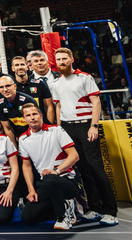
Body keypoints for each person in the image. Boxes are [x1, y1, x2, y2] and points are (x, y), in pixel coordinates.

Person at [49, 47, 118, 226]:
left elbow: (96, 102)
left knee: (96, 168)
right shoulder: (55, 83)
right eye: (59, 60)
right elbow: (58, 107)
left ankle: (111, 211)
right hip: (67, 127)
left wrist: (94, 125)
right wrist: (58, 129)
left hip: (86, 125)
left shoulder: (85, 78)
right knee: (83, 169)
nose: (62, 62)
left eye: (65, 58)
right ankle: (94, 208)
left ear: (72, 59)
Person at [18, 102, 81, 230]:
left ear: (41, 115)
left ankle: (62, 218)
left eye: (35, 114)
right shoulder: (23, 139)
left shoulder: (56, 130)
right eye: (28, 115)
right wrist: (31, 189)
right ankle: (65, 206)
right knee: (28, 217)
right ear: (24, 119)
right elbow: (26, 166)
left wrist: (56, 171)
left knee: (49, 178)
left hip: (67, 180)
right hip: (46, 183)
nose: (32, 117)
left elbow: (74, 156)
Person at [0, 75, 36, 146]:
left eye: (8, 86)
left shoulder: (28, 101)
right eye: (1, 87)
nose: (5, 90)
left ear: (15, 86)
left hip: (34, 136)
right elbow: (8, 129)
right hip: (18, 138)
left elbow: (37, 123)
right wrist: (15, 149)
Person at [13, 55, 54, 123]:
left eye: (22, 64)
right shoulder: (10, 87)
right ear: (12, 68)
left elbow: (49, 107)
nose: (20, 67)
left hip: (40, 125)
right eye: (17, 65)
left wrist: (50, 126)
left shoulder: (40, 84)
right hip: (21, 127)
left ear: (27, 67)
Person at [27, 50, 57, 122]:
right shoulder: (28, 82)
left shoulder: (59, 77)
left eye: (42, 60)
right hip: (41, 119)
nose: (39, 63)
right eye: (36, 61)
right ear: (31, 64)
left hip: (63, 116)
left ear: (47, 61)